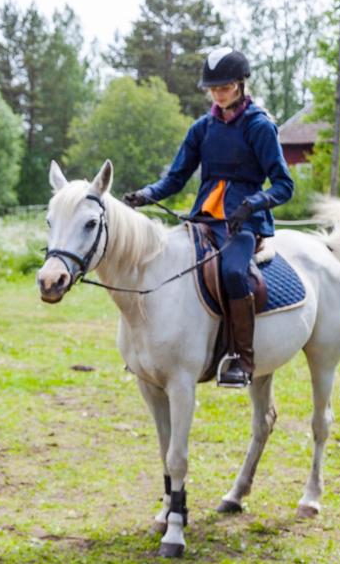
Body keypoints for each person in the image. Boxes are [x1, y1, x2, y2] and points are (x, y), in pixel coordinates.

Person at [123, 48, 294, 388]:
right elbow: (175, 178)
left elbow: (284, 186)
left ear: (241, 84)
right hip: (203, 220)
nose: (218, 92)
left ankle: (242, 359)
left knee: (233, 272)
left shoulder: (259, 126)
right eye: (213, 87)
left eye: (225, 86)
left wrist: (251, 204)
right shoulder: (202, 128)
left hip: (243, 224)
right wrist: (146, 194)